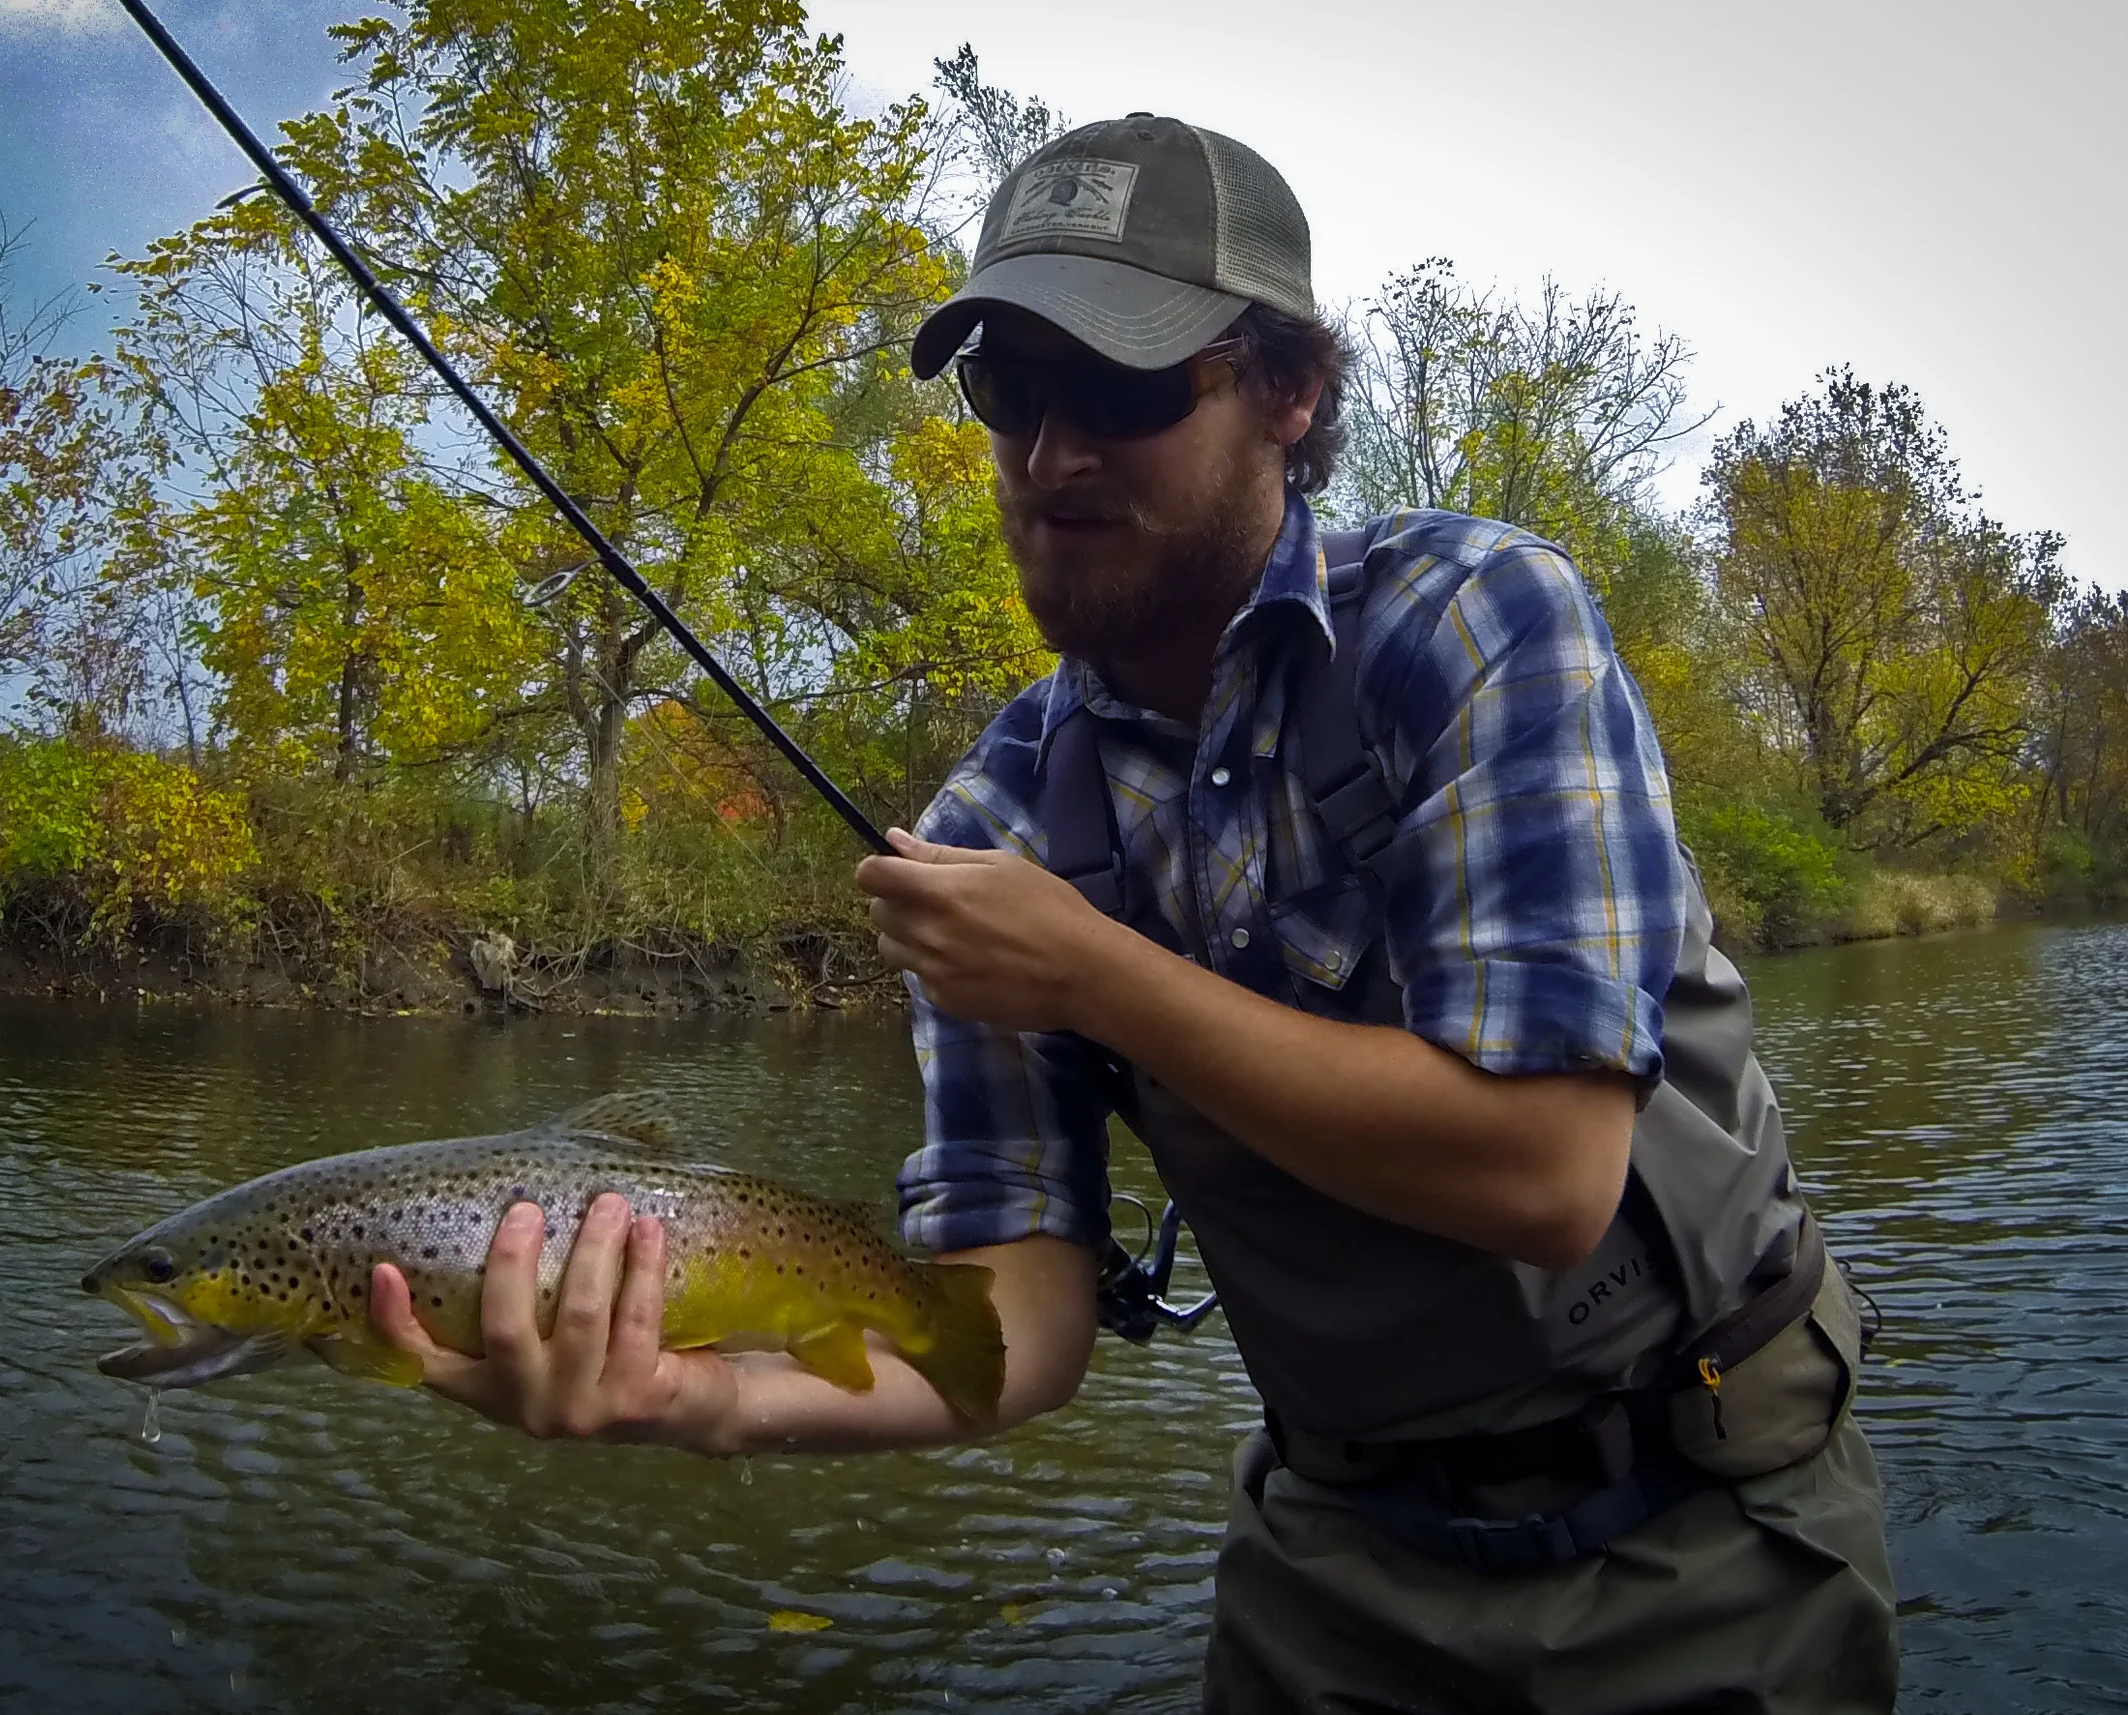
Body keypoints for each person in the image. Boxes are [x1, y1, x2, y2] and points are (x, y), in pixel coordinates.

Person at [368, 114, 1899, 1713]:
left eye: (1121, 388)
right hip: (1332, 1562)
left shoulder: (1476, 625)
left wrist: (1094, 972)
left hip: (1705, 1525)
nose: (1052, 456)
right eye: (1010, 393)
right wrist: (711, 1399)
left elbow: (1547, 1172)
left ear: (1290, 391)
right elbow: (1013, 1329)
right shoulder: (996, 830)